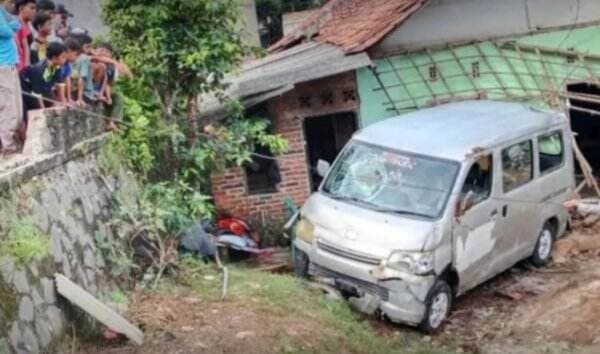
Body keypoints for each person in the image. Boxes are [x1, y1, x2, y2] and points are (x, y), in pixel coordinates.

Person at [0, 0, 23, 155]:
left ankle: (11, 141)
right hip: (3, 65)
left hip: (10, 64)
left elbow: (17, 24)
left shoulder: (2, 11)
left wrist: (11, 27)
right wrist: (11, 27)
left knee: (16, 106)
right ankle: (8, 145)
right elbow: (6, 32)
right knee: (8, 106)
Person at [20, 41, 67, 114]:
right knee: (37, 110)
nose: (65, 60)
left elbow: (59, 84)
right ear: (54, 57)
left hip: (41, 88)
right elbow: (37, 94)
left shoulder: (57, 67)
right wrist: (43, 111)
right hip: (26, 88)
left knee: (54, 104)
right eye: (63, 57)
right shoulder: (39, 70)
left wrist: (63, 103)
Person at [14, 0, 36, 71]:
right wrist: (25, 67)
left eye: (35, 9)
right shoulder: (17, 23)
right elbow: (23, 48)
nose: (34, 11)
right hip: (20, 67)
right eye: (31, 8)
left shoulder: (27, 25)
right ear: (21, 8)